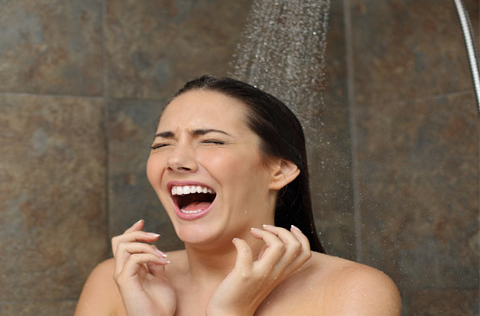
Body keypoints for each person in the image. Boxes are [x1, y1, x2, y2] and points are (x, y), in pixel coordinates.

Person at [75, 76, 401, 315]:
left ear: (280, 171)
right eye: (162, 145)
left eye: (212, 141)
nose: (175, 160)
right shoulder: (117, 281)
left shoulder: (354, 291)